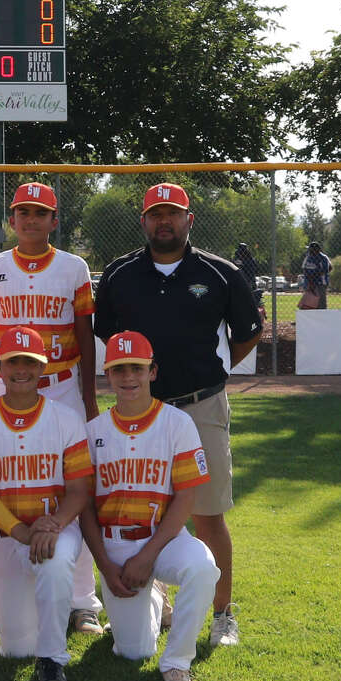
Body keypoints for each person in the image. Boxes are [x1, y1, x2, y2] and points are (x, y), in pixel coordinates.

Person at [93, 182, 261, 647]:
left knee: (208, 514)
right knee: (142, 509)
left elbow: (248, 333)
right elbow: (109, 336)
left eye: (173, 213)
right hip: (140, 411)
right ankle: (159, 604)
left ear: (190, 220)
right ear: (143, 221)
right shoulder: (120, 274)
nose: (163, 221)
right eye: (155, 214)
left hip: (201, 403)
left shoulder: (221, 273)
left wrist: (214, 368)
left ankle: (223, 613)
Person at [0, 181, 103, 637]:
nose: (30, 220)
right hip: (9, 387)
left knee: (74, 489)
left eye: (40, 213)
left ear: (54, 221)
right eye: (22, 212)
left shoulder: (73, 266)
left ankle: (83, 602)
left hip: (62, 385)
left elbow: (84, 338)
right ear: (11, 220)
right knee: (6, 486)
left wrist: (88, 398)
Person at [80, 331, 220, 681]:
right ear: (107, 375)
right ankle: (155, 596)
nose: (129, 377)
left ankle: (177, 663)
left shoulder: (176, 422)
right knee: (133, 651)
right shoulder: (92, 432)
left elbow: (187, 496)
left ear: (152, 371)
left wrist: (148, 555)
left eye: (137, 368)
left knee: (203, 566)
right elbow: (84, 508)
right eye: (119, 369)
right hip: (115, 545)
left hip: (165, 537)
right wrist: (105, 566)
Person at [0, 327, 93, 681]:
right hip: (5, 536)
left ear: (42, 367)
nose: (21, 369)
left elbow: (80, 489)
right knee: (15, 648)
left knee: (56, 558)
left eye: (30, 361)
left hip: (55, 527)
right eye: (12, 361)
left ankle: (53, 659)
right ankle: (43, 617)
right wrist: (22, 531)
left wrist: (55, 525)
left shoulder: (66, 418)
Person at [300, 241, 332, 309]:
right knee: (307, 305)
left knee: (321, 305)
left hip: (320, 283)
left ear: (315, 250)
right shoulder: (308, 257)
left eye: (310, 249)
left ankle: (322, 318)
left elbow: (326, 269)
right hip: (308, 283)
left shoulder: (323, 257)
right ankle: (308, 318)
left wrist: (313, 281)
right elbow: (304, 269)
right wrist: (310, 281)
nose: (309, 251)